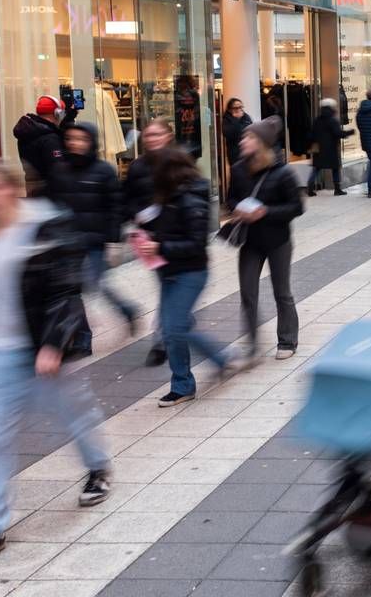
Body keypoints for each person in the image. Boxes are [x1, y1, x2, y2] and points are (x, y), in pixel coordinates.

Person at [0, 159, 111, 573]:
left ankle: (97, 467)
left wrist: (53, 344)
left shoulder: (44, 226)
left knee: (75, 414)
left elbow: (65, 288)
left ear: (8, 188)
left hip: (41, 348)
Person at [133, 148, 242, 406]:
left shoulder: (191, 200)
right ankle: (218, 361)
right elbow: (166, 230)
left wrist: (159, 246)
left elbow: (195, 244)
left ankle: (184, 384)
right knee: (175, 327)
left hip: (190, 273)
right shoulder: (165, 197)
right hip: (168, 270)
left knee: (173, 328)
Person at [49, 122, 138, 356]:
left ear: (91, 142)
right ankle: (82, 339)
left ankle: (126, 309)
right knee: (73, 291)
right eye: (71, 139)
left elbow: (116, 208)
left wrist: (114, 242)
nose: (76, 144)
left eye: (81, 139)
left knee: (96, 285)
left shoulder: (104, 171)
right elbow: (54, 206)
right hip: (68, 243)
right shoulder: (59, 169)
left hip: (97, 242)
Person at [227, 116, 304, 362]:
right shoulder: (238, 169)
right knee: (248, 293)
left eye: (248, 137)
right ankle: (251, 343)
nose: (242, 141)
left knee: (282, 292)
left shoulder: (282, 173)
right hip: (250, 241)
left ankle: (287, 340)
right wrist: (237, 209)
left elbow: (296, 206)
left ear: (261, 143)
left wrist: (265, 212)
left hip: (277, 240)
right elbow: (230, 199)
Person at [124, 118, 175, 368]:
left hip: (176, 236)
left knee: (169, 288)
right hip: (150, 239)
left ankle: (161, 341)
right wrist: (138, 214)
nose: (152, 139)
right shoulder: (137, 167)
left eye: (157, 134)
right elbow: (127, 198)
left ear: (168, 136)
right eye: (148, 135)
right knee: (167, 286)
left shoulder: (178, 162)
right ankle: (168, 331)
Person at [13, 95, 69, 194]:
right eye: (62, 113)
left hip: (32, 189)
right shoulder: (50, 138)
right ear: (57, 114)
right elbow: (58, 170)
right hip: (50, 192)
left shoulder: (29, 132)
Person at [305, 98, 352, 196]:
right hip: (331, 149)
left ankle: (309, 188)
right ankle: (337, 189)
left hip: (319, 149)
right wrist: (349, 132)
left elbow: (311, 134)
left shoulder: (317, 119)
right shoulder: (332, 120)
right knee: (335, 168)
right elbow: (338, 133)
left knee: (316, 169)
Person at [220, 97, 253, 193]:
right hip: (234, 153)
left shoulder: (246, 117)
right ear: (230, 109)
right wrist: (237, 120)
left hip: (247, 151)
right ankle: (233, 199)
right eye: (236, 107)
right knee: (236, 176)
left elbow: (250, 130)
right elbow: (229, 134)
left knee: (248, 176)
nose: (239, 109)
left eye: (240, 107)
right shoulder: (227, 119)